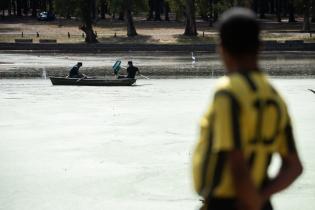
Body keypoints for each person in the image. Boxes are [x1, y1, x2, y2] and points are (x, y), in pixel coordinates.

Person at [192, 7, 303, 210]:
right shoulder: (274, 95)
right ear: (260, 47)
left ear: (221, 48)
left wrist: (247, 202)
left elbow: (236, 163)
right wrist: (260, 197)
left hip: (227, 204)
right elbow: (294, 167)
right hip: (260, 202)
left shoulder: (228, 93)